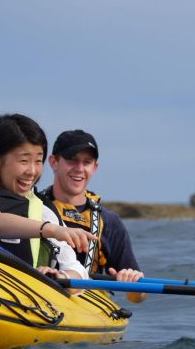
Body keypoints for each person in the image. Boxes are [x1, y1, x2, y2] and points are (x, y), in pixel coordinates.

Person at [0, 114, 95, 286]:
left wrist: (59, 276)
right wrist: (50, 230)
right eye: (24, 160)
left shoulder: (44, 211)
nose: (32, 171)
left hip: (25, 303)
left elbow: (77, 269)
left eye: (38, 161)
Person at [41, 130, 146, 303]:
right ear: (54, 162)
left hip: (86, 306)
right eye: (72, 160)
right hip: (40, 295)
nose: (79, 169)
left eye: (87, 162)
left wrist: (133, 283)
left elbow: (137, 297)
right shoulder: (33, 208)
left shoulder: (109, 221)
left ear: (94, 167)